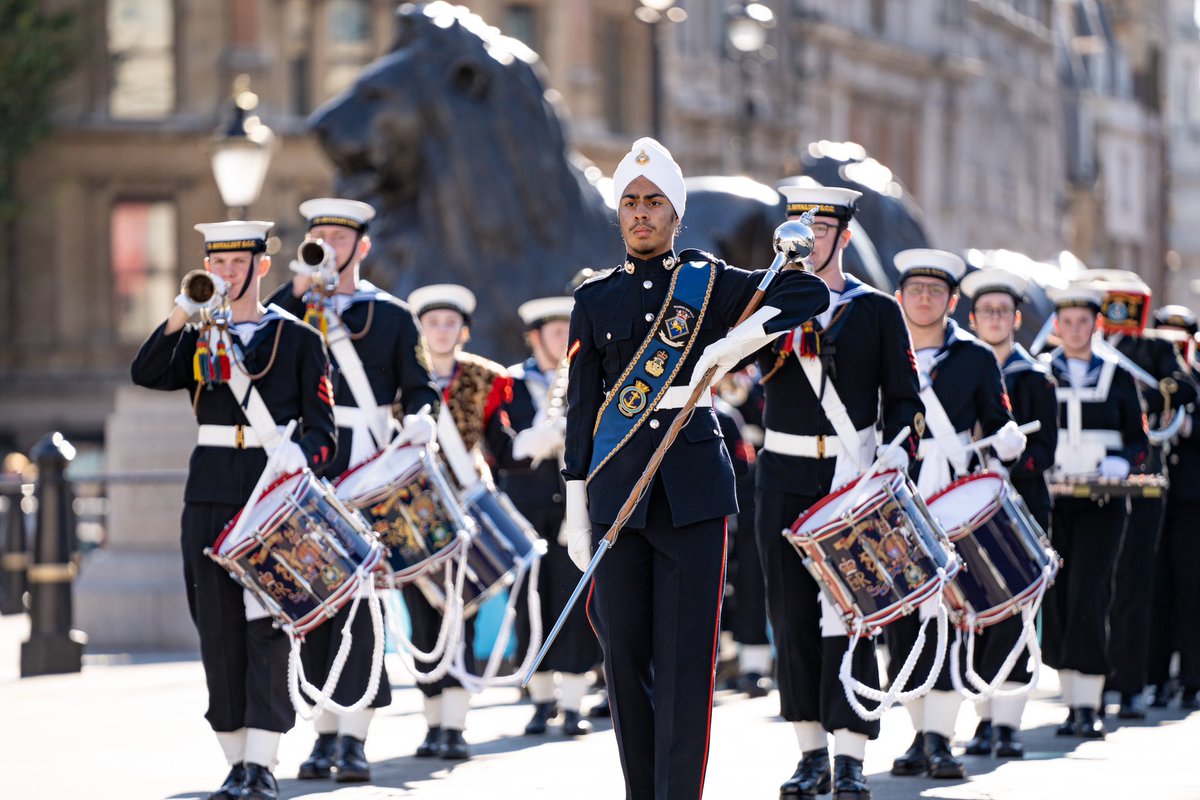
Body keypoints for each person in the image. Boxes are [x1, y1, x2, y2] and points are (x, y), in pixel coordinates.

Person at [560, 137, 830, 799]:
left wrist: (744, 336)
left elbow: (808, 295)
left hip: (692, 494)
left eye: (655, 202)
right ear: (618, 214)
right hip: (617, 488)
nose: (642, 213)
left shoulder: (706, 284)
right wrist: (574, 500)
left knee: (685, 662)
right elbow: (582, 407)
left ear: (677, 216)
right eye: (631, 202)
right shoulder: (595, 302)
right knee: (623, 658)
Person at [131, 221, 337, 800]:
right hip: (210, 493)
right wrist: (181, 312)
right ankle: (233, 759)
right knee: (216, 629)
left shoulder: (298, 339)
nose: (223, 274)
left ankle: (263, 763)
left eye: (234, 262)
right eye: (214, 263)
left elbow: (325, 432)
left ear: (259, 267)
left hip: (270, 498)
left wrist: (298, 458)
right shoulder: (198, 338)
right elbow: (145, 371)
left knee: (267, 627)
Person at [754, 185, 923, 800]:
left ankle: (851, 752)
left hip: (851, 475)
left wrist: (898, 446)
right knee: (792, 617)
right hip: (783, 475)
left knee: (852, 615)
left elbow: (905, 397)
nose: (809, 241)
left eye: (822, 230)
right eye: (799, 230)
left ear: (844, 237)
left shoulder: (876, 309)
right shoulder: (770, 300)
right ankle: (809, 752)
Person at [267, 198, 440, 782]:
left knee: (363, 604)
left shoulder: (390, 316)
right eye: (318, 236)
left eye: (339, 239)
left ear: (362, 247)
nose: (328, 247)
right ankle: (322, 732)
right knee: (313, 597)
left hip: (365, 461)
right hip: (308, 462)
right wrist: (292, 292)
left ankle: (355, 734)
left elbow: (421, 388)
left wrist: (421, 418)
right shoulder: (289, 309)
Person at [887, 249, 1024, 781]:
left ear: (951, 300)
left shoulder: (974, 358)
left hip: (951, 496)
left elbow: (998, 420)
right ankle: (918, 735)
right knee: (899, 619)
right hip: (894, 498)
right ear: (900, 298)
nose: (924, 299)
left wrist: (1007, 441)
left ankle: (942, 737)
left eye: (935, 291)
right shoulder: (883, 347)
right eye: (915, 290)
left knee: (949, 619)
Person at [405, 282, 515, 760]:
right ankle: (432, 724)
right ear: (421, 331)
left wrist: (534, 445)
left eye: (450, 323)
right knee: (421, 618)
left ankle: (455, 724)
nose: (442, 331)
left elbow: (500, 443)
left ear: (464, 332)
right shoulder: (402, 379)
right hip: (413, 513)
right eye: (433, 323)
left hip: (466, 506)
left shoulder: (484, 378)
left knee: (463, 613)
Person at [1085, 273, 1198, 719]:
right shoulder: (1083, 346)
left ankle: (1130, 683)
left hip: (1140, 477)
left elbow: (1184, 387)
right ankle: (1091, 680)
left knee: (1134, 582)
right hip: (1087, 477)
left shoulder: (1154, 349)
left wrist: (1149, 395)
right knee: (1091, 584)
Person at [958, 267, 1059, 758]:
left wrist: (1006, 460)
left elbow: (1046, 449)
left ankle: (1008, 721)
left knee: (1016, 613)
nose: (995, 319)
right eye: (986, 312)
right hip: (967, 504)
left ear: (1017, 319)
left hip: (1019, 503)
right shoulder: (963, 367)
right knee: (975, 611)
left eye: (1003, 311)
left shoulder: (1033, 375)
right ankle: (981, 718)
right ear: (973, 319)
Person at [1041, 283, 1148, 739]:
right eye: (1067, 322)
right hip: (1052, 501)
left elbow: (1139, 440)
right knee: (1060, 598)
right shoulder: (1041, 373)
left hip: (1103, 502)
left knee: (1089, 592)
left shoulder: (1118, 375)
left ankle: (1089, 704)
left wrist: (1121, 461)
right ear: (1057, 326)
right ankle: (1071, 700)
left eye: (1084, 322)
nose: (1076, 330)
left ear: (1096, 325)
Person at [498, 296, 600, 737]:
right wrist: (535, 440)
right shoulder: (509, 384)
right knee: (529, 602)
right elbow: (500, 449)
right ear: (534, 337)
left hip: (575, 508)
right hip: (525, 509)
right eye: (554, 332)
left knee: (574, 601)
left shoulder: (589, 379)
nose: (562, 340)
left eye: (567, 331)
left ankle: (574, 702)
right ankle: (541, 700)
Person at [1146, 305, 1200, 710]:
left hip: (1191, 501)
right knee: (1153, 586)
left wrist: (1188, 427)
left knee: (1190, 588)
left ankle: (1192, 678)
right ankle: (1155, 675)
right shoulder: (1146, 380)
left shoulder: (1195, 382)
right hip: (1152, 495)